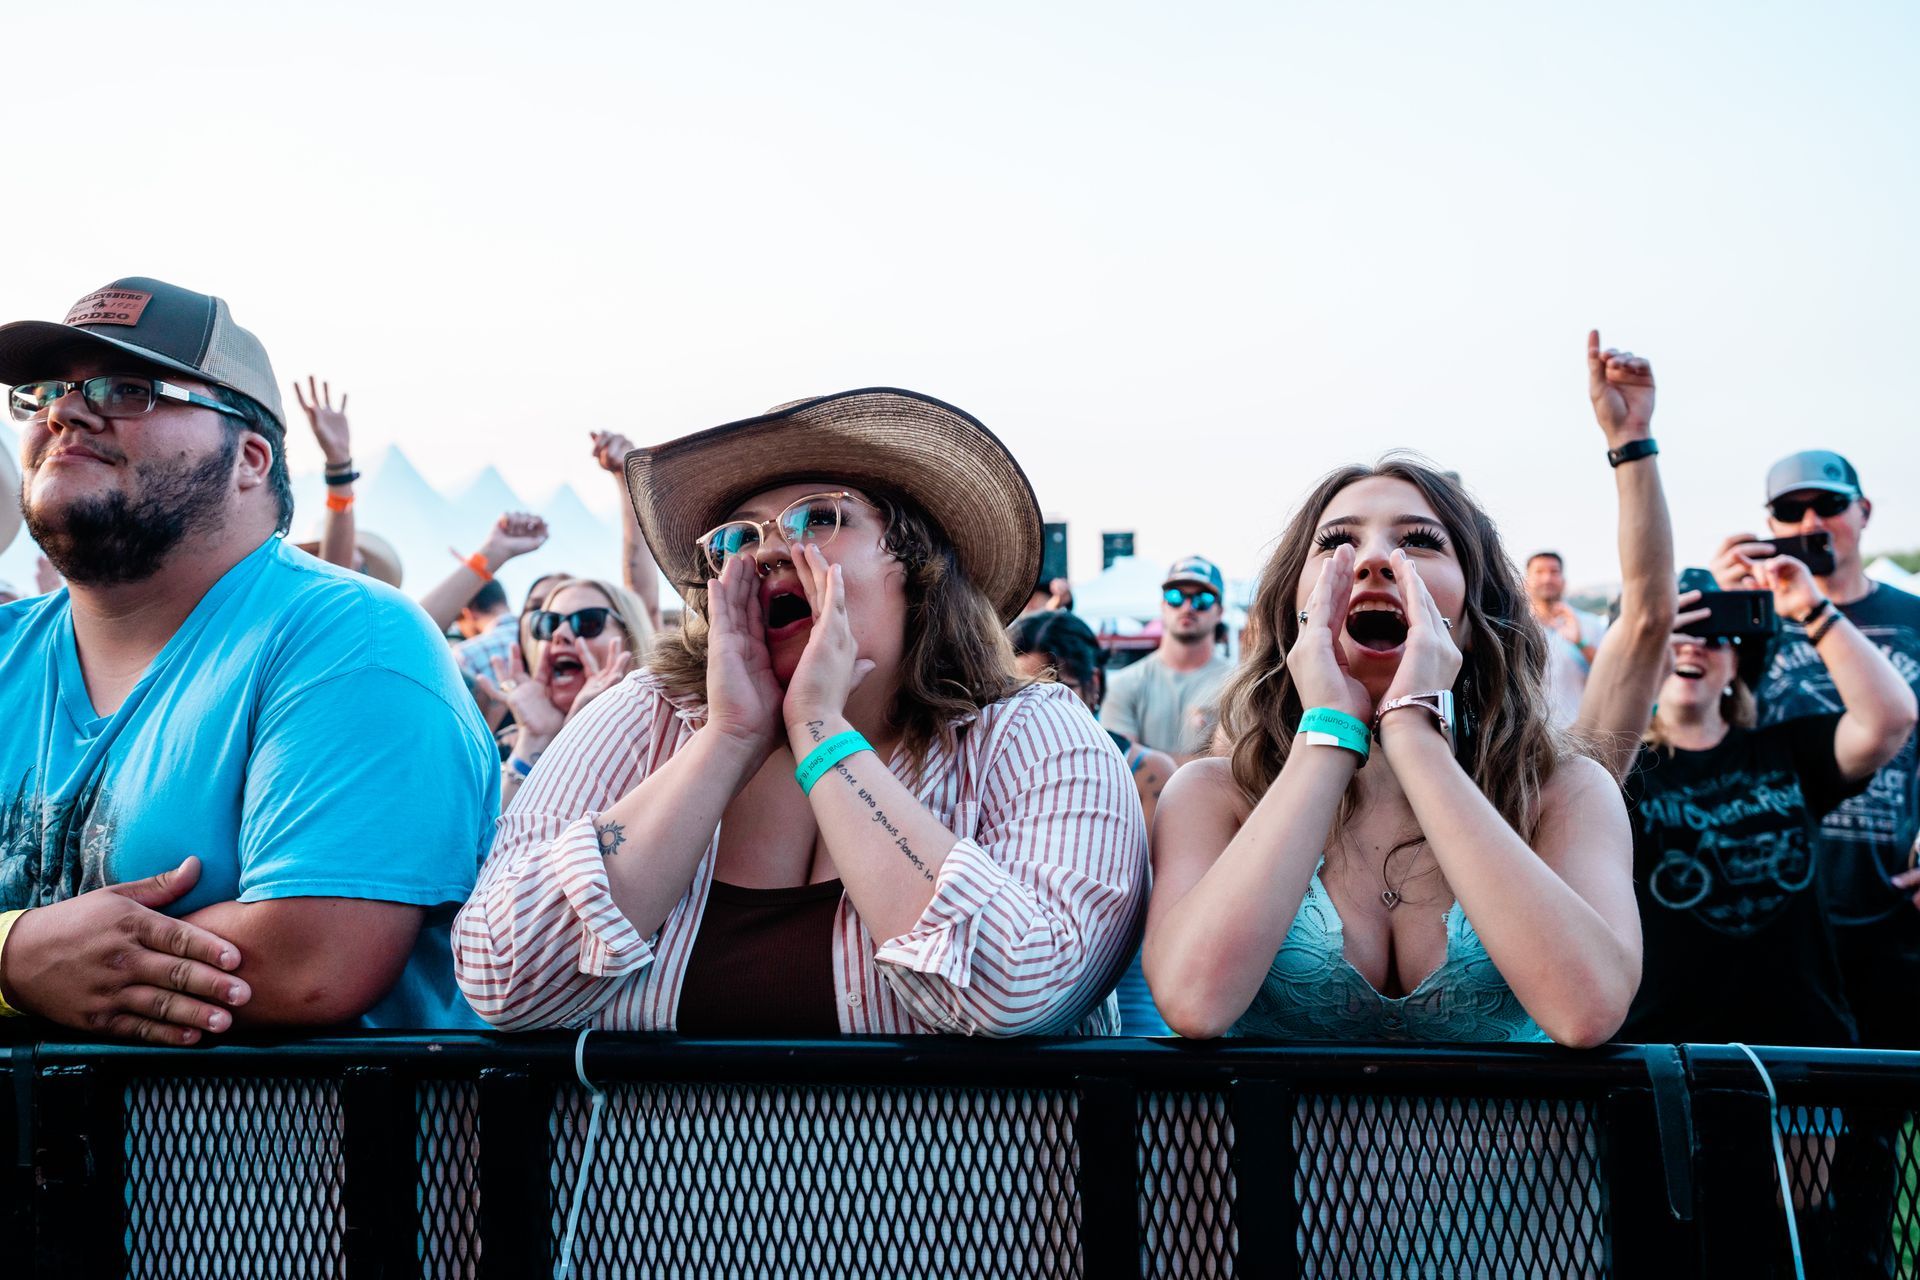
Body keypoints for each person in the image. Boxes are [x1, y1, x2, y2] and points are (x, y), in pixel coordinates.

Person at [455, 388, 1148, 1035]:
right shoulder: (644, 719)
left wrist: (821, 730)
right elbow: (501, 978)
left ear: (917, 563)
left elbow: (1016, 992)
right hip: (646, 1169)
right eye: (737, 538)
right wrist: (728, 738)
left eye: (820, 517)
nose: (769, 552)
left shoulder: (1033, 734)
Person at [0, 276, 499, 1040]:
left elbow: (310, 959)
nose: (64, 410)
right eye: (40, 393)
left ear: (251, 458)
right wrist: (16, 954)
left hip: (295, 1155)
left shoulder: (348, 636)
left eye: (128, 389)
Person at [1145, 337, 1644, 1047]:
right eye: (1337, 542)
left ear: (1475, 617)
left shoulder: (1566, 794)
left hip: (1519, 1161)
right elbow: (1194, 1001)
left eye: (1419, 542)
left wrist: (1414, 732)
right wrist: (1328, 733)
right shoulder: (1211, 796)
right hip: (1271, 1162)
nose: (1377, 559)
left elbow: (1586, 1009)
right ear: (1295, 607)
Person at [1712, 451, 1920, 1050]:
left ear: (1864, 511)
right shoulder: (1750, 624)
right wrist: (1722, 609)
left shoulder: (1911, 618)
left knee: (1881, 1113)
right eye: (1789, 511)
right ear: (1769, 527)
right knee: (1792, 1110)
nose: (1810, 524)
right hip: (1777, 900)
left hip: (1891, 902)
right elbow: (1704, 728)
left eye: (1828, 505)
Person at [1009, 609, 1174, 1036]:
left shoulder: (1147, 772)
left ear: (1094, 688)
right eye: (1017, 693)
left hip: (1139, 1007)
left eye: (1057, 692)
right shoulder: (999, 776)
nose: (1036, 710)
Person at [475, 575, 652, 805]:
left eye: (588, 622)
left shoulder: (663, 738)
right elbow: (490, 839)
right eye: (549, 624)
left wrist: (590, 727)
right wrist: (535, 739)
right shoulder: (504, 745)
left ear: (630, 638)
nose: (560, 635)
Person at [1101, 556, 1235, 762]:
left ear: (1220, 612)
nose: (1187, 607)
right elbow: (1121, 764)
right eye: (1175, 596)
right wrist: (1200, 760)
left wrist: (1147, 758)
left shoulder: (1238, 685)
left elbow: (1232, 769)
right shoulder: (1124, 683)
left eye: (1203, 599)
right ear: (1163, 605)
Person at [1525, 550, 1608, 726]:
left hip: (1579, 729)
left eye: (1554, 572)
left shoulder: (1590, 624)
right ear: (1526, 582)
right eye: (1539, 572)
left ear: (1563, 581)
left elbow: (1610, 675)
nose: (1547, 578)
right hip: (1529, 730)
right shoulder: (1515, 627)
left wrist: (1580, 642)